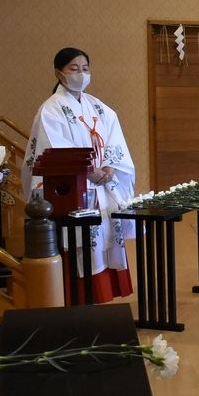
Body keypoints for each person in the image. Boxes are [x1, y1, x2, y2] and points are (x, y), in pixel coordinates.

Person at [21, 47, 136, 302]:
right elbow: (54, 148)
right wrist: (87, 171)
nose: (81, 74)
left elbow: (114, 138)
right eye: (74, 69)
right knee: (79, 243)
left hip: (102, 186)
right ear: (59, 73)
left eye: (85, 68)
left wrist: (110, 166)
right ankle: (78, 297)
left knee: (103, 238)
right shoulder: (51, 109)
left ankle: (101, 294)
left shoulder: (99, 107)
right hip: (74, 188)